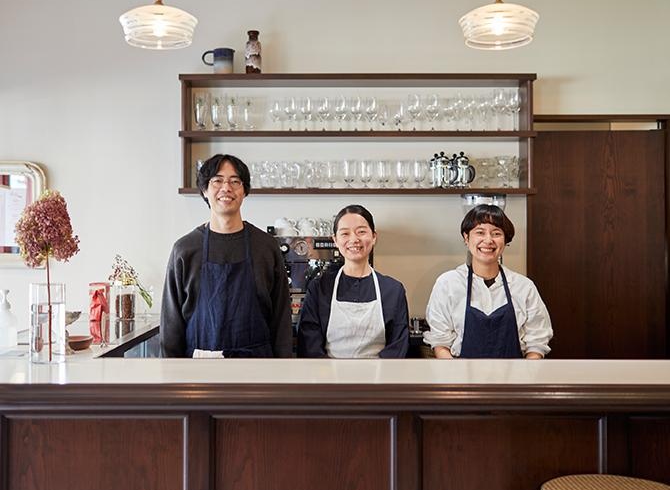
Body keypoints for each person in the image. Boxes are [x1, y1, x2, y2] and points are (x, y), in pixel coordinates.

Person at [160, 154, 292, 358]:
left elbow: (281, 317)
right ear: (204, 190)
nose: (226, 188)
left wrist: (283, 370)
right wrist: (171, 379)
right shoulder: (185, 250)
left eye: (235, 181)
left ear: (245, 191)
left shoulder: (265, 246)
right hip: (197, 372)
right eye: (217, 180)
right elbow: (171, 325)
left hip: (258, 368)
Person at [424, 204, 552, 359]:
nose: (488, 240)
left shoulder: (524, 287)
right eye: (480, 232)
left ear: (505, 241)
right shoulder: (447, 284)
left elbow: (536, 344)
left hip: (515, 378)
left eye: (496, 233)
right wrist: (457, 379)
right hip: (460, 377)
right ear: (466, 238)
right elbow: (440, 344)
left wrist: (523, 378)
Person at [297, 205, 409, 358]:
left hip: (379, 377)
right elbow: (309, 344)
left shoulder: (393, 290)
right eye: (345, 233)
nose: (354, 239)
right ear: (335, 240)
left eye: (361, 232)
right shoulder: (319, 288)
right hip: (329, 378)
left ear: (374, 236)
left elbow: (398, 346)